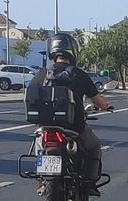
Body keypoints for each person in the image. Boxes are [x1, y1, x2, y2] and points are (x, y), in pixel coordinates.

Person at [29, 33, 111, 188]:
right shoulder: (79, 75)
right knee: (94, 146)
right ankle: (89, 182)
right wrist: (106, 106)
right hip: (74, 127)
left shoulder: (41, 74)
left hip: (44, 126)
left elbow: (30, 95)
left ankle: (41, 181)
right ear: (73, 52)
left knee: (39, 146)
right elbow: (97, 100)